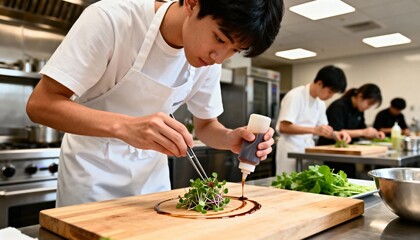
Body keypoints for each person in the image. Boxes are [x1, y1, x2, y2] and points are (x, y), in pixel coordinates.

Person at [26, 0, 284, 207]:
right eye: (220, 38)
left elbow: (206, 126)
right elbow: (41, 104)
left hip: (152, 183)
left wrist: (229, 138)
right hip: (91, 175)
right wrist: (126, 127)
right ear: (193, 3)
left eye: (235, 50)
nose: (220, 58)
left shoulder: (208, 63)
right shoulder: (111, 19)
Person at [275, 65, 351, 175]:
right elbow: (283, 127)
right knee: (287, 185)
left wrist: (336, 134)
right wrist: (314, 130)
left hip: (307, 149)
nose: (331, 97)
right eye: (330, 92)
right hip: (290, 149)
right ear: (320, 83)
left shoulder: (320, 103)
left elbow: (323, 128)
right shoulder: (295, 95)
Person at [318, 83, 385, 177]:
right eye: (369, 103)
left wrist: (374, 134)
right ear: (360, 96)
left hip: (347, 152)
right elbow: (336, 132)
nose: (368, 107)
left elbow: (362, 129)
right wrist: (363, 132)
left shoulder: (359, 110)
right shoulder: (339, 106)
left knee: (350, 176)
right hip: (332, 152)